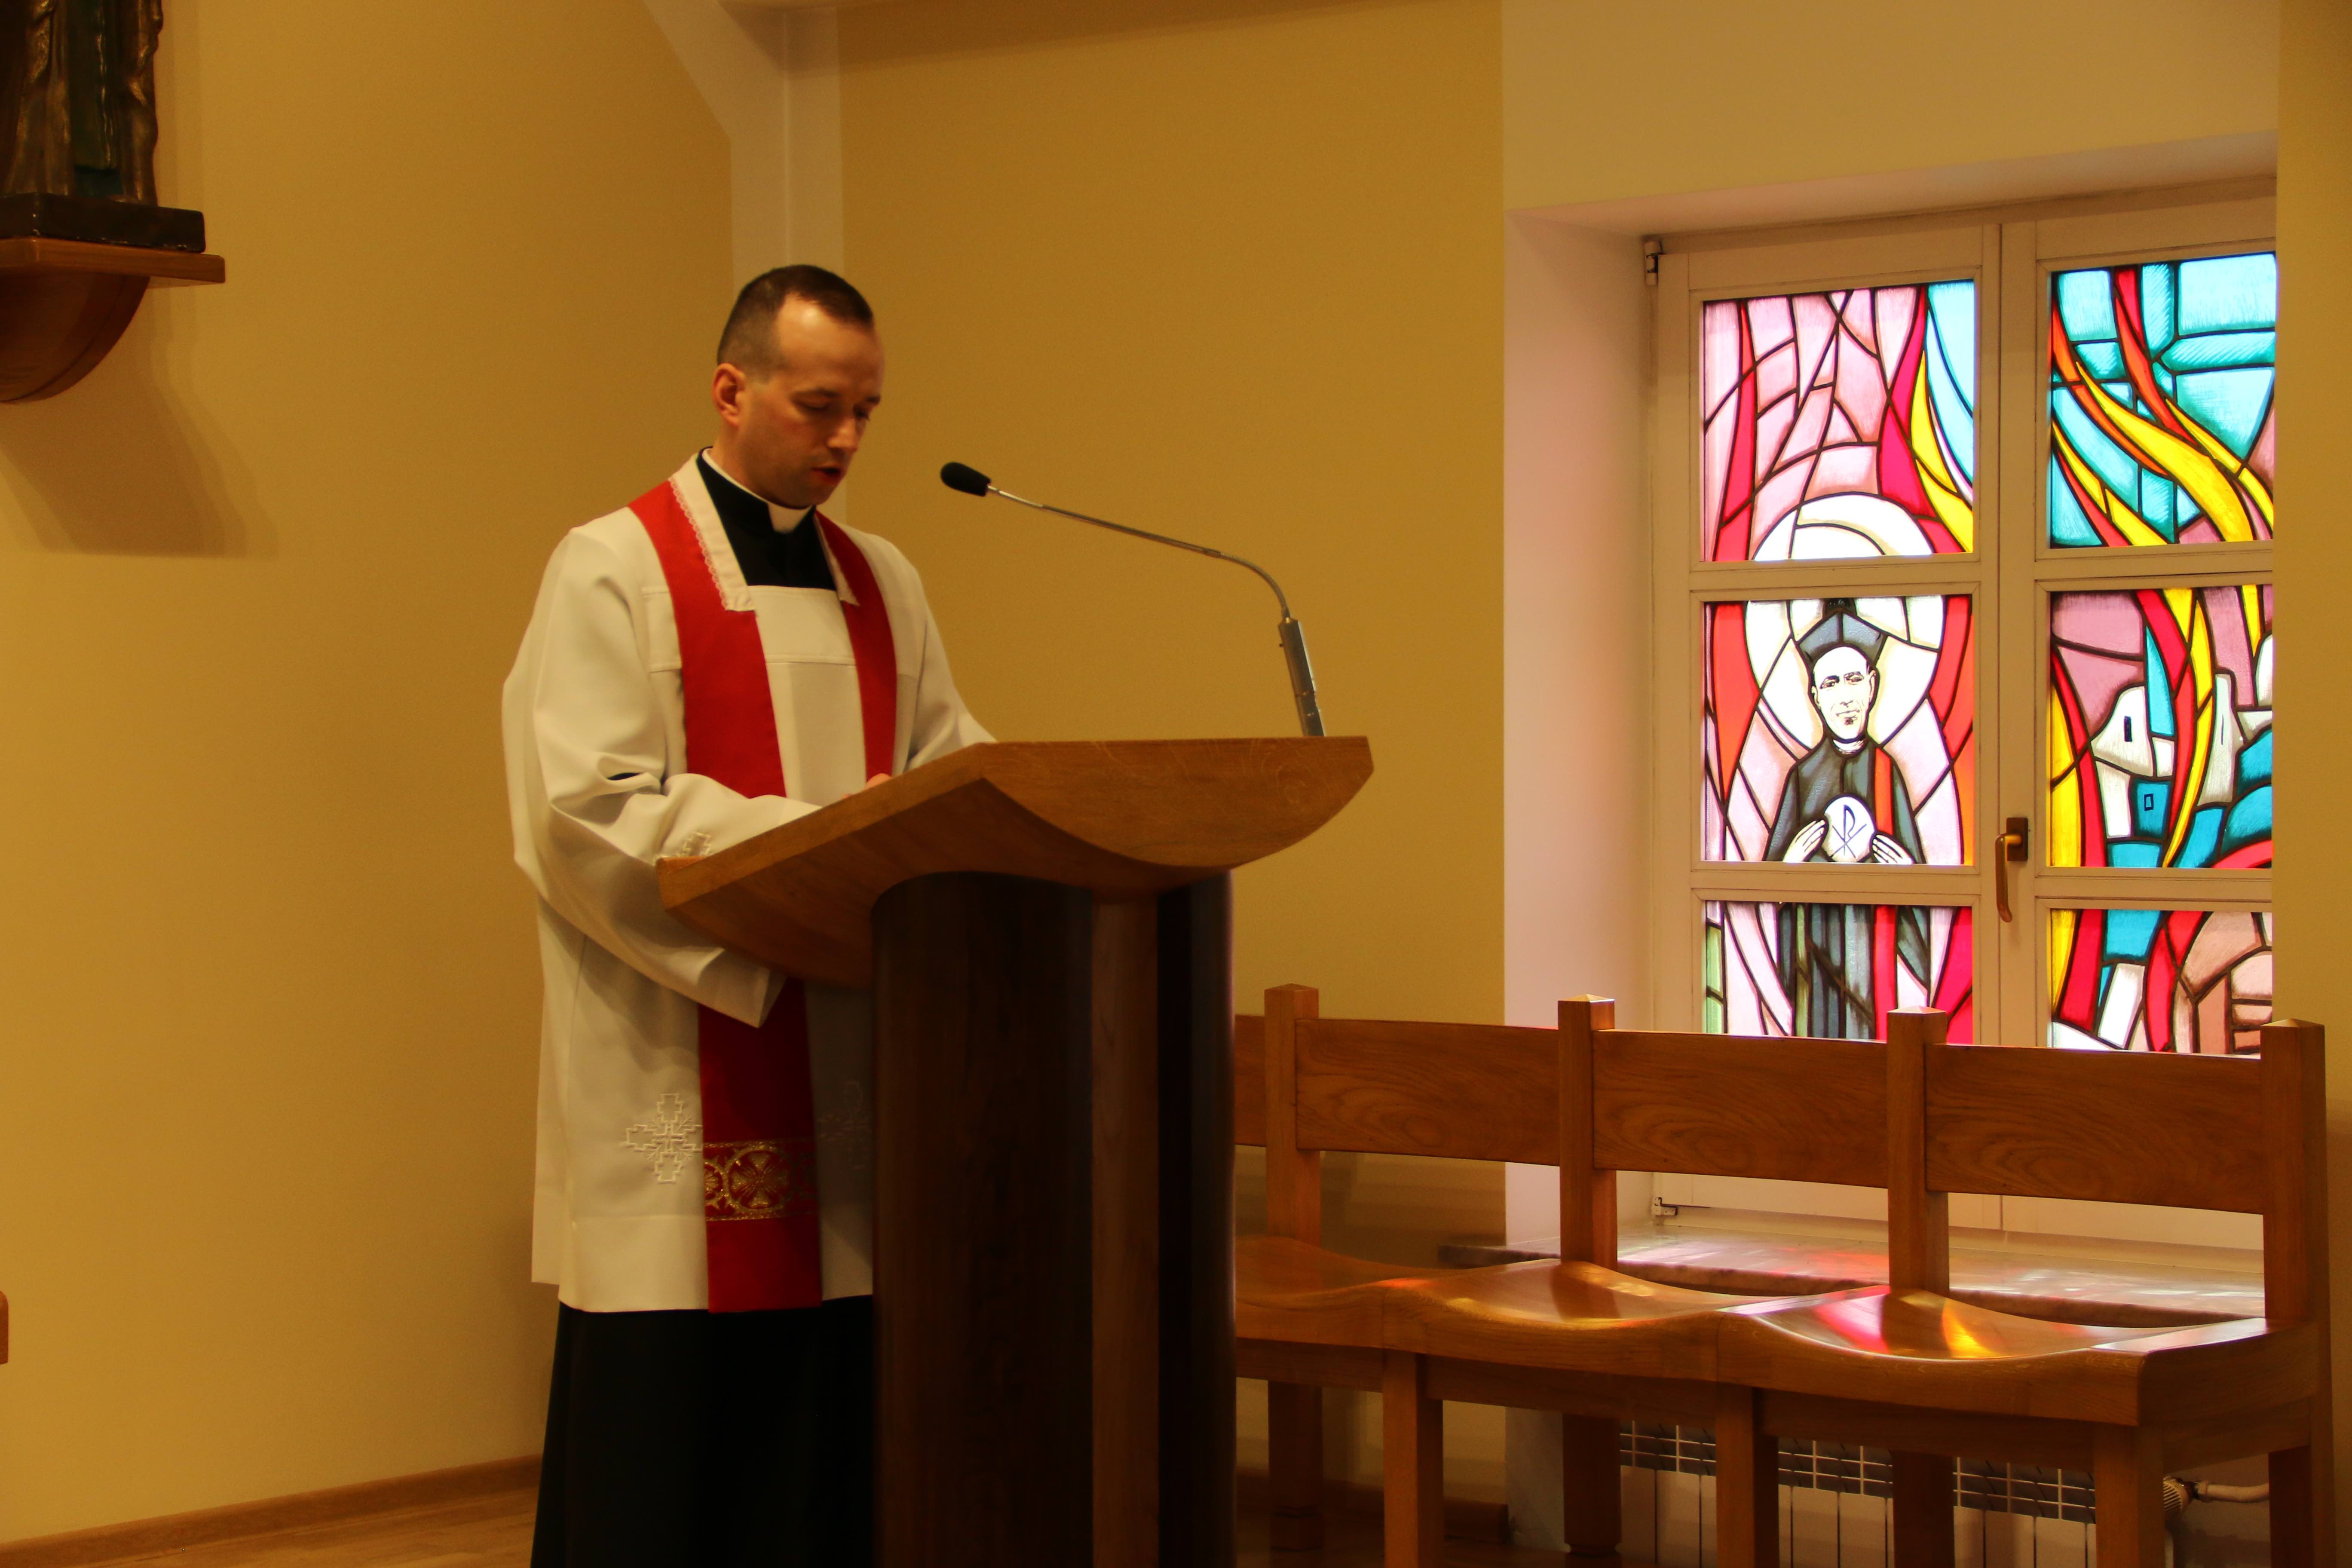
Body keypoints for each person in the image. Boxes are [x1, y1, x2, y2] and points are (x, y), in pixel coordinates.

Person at [503, 265, 989, 1566]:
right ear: (731, 390)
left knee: (824, 1432)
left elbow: (949, 773)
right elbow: (583, 811)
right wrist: (821, 851)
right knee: (671, 1445)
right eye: (820, 406)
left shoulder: (884, 581)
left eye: (866, 411)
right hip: (681, 1047)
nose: (847, 439)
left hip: (847, 1052)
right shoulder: (616, 567)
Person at [1763, 601, 1927, 1038]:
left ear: (1873, 685)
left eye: (1854, 679)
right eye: (1831, 684)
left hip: (1872, 950)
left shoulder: (1888, 773)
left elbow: (1920, 891)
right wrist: (1788, 870)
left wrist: (1909, 878)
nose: (1846, 697)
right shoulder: (1802, 778)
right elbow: (1768, 885)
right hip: (1815, 954)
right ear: (1815, 696)